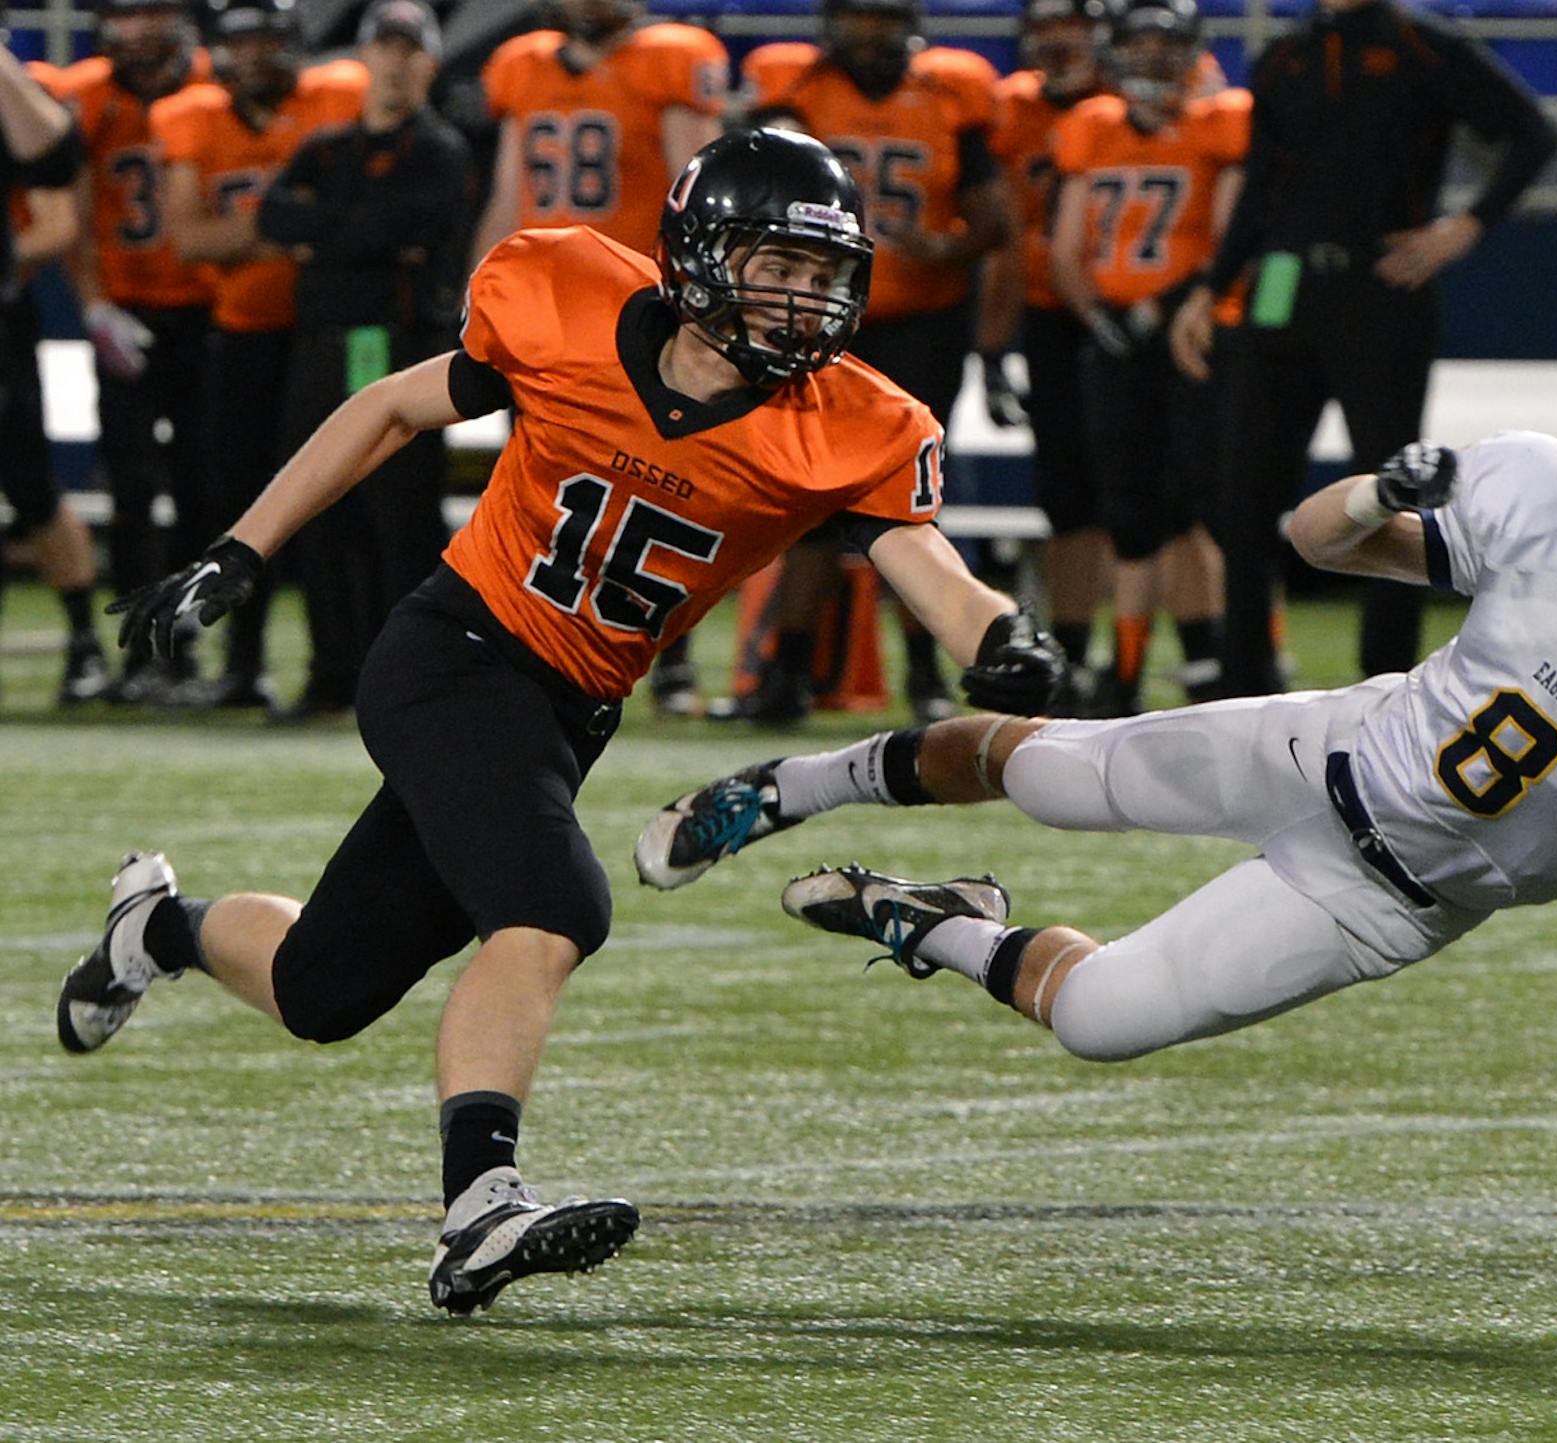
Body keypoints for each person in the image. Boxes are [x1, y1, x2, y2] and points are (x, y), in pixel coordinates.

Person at [58, 128, 1065, 1312]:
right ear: (696, 255)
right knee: (552, 906)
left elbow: (934, 572)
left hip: (569, 712)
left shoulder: (848, 422)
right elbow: (390, 409)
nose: (803, 303)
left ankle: (158, 928)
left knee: (322, 990)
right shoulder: (568, 294)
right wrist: (238, 551)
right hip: (454, 652)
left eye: (823, 277)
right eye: (775, 267)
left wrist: (1000, 640)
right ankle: (481, 1207)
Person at [639, 390, 1557, 1066]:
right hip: (1334, 746)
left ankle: (930, 918)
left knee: (1105, 1019)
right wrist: (1369, 493)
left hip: (1390, 901)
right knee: (1047, 768)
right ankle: (797, 784)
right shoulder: (1549, 496)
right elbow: (1312, 548)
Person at [1167, 0, 1556, 698]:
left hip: (1378, 284)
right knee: (1242, 496)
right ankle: (1244, 685)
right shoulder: (1285, 57)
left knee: (1392, 488)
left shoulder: (1421, 44)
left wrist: (1464, 227)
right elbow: (1261, 186)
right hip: (1281, 280)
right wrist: (1211, 288)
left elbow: (1531, 132)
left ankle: (1387, 682)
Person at [727, 0, 1010, 723]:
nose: (872, 32)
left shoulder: (952, 90)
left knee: (908, 505)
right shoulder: (797, 85)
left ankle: (922, 675)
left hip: (923, 322)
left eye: (885, 17)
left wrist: (945, 248)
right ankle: (789, 672)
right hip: (818, 322)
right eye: (860, 15)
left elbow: (992, 219)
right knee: (807, 505)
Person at [470, 0, 727, 717]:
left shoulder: (670, 56)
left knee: (653, 484)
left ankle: (667, 656)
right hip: (544, 309)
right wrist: (480, 287)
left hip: (636, 309)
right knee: (533, 484)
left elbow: (699, 191)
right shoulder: (523, 63)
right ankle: (527, 641)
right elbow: (508, 192)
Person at [255, 0, 472, 721]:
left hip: (394, 343)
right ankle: (331, 671)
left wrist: (330, 234)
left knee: (398, 515)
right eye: (385, 46)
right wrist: (360, 234)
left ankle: (405, 677)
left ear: (429, 63)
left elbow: (408, 225)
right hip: (322, 343)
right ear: (364, 57)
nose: (396, 60)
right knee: (317, 507)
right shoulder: (325, 147)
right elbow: (274, 217)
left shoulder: (439, 149)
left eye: (410, 49)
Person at [151, 0, 369, 709]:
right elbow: (190, 240)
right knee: (239, 500)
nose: (254, 57)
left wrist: (279, 233)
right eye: (241, 43)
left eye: (268, 40)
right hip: (242, 333)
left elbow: (357, 213)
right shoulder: (191, 115)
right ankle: (243, 662)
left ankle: (339, 665)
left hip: (325, 335)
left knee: (339, 501)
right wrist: (295, 232)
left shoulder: (338, 95)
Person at [1047, 0, 1239, 714]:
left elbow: (1228, 236)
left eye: (1168, 45)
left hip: (1192, 335)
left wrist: (1164, 306)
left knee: (1205, 507)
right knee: (1128, 513)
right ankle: (1122, 675)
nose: (1154, 59)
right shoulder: (1091, 128)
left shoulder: (1219, 122)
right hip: (1115, 340)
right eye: (1141, 44)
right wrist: (1097, 314)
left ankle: (1223, 664)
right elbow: (1066, 249)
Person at [45, 0, 215, 704]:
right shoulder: (84, 93)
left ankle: (189, 639)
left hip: (208, 306)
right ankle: (139, 645)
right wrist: (94, 306)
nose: (141, 26)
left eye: (155, 9)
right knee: (135, 487)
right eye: (127, 10)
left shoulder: (214, 81)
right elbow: (75, 214)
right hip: (128, 308)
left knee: (208, 484)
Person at [982, 0, 1113, 709]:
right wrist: (994, 344)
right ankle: (1077, 654)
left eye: (1078, 25)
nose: (1062, 41)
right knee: (1068, 497)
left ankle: (1156, 660)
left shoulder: (1147, 106)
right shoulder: (1013, 110)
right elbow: (1006, 238)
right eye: (1049, 26)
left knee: (1165, 502)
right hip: (1051, 318)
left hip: (1141, 314)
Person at [3, 169, 111, 706]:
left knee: (32, 486)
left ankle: (85, 641)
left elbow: (57, 225)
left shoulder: (17, 120)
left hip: (3, 324)